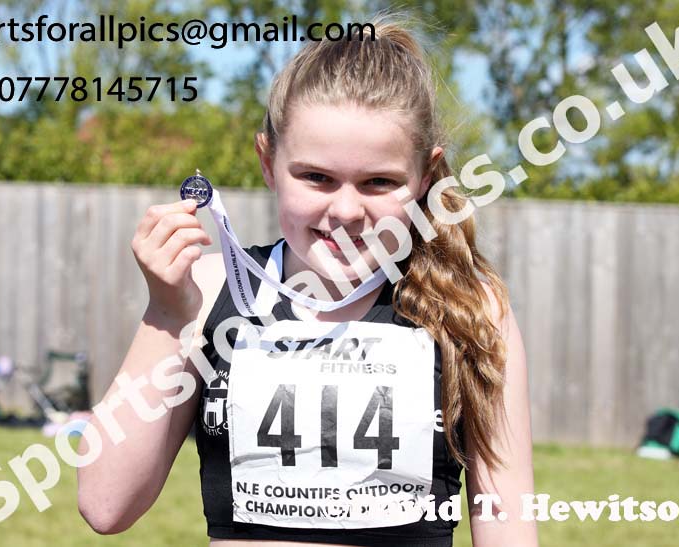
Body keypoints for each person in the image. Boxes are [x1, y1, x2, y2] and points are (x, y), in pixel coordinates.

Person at [77, 12, 537, 547]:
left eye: (378, 182)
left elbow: (506, 519)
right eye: (316, 176)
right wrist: (167, 314)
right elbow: (106, 504)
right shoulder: (208, 293)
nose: (345, 209)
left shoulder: (469, 307)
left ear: (426, 178)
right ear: (268, 162)